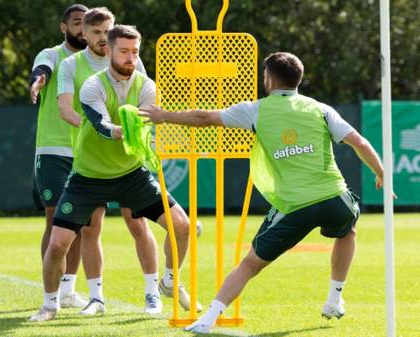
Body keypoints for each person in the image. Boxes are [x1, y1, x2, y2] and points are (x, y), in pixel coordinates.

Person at [139, 52, 385, 334]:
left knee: (251, 264)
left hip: (294, 205)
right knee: (347, 230)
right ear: (299, 79)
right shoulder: (320, 108)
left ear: (268, 80)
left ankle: (208, 319)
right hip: (334, 197)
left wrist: (164, 115)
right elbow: (359, 142)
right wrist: (381, 172)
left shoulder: (256, 109)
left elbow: (204, 117)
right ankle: (334, 298)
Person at [29, 24, 200, 322]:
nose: (130, 58)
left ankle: (170, 281)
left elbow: (147, 122)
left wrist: (147, 128)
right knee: (58, 244)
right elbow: (101, 126)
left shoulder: (147, 86)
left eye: (135, 52)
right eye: (124, 51)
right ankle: (50, 304)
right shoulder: (93, 86)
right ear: (109, 51)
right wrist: (128, 129)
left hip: (131, 175)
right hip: (88, 177)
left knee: (182, 226)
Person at [57, 7, 162, 316]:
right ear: (83, 33)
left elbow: (146, 105)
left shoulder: (133, 59)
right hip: (93, 161)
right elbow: (66, 108)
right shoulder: (71, 65)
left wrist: (135, 137)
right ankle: (96, 297)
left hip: (128, 161)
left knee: (138, 224)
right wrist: (98, 132)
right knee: (90, 229)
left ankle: (152, 293)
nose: (103, 38)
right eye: (97, 32)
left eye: (108, 32)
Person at [28, 3, 89, 309]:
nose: (82, 28)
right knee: (56, 219)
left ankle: (68, 289)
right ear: (64, 27)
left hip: (87, 150)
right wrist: (37, 82)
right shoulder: (52, 54)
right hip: (53, 149)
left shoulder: (97, 61)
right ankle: (49, 290)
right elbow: (42, 70)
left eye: (86, 23)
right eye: (77, 22)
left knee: (80, 223)